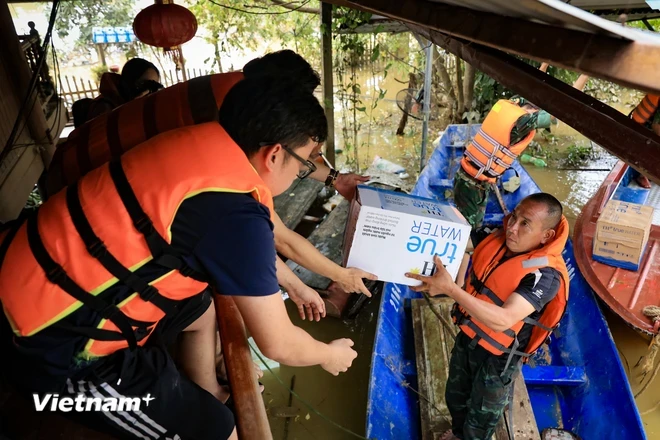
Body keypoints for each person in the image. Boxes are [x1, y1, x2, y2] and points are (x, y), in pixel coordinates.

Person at [0, 75, 358, 440]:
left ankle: (210, 392)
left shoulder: (200, 144)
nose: (301, 174)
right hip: (48, 344)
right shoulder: (235, 214)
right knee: (219, 431)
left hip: (20, 267)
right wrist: (328, 355)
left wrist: (296, 285)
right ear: (275, 154)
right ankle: (208, 418)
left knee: (201, 307)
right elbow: (279, 342)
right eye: (303, 167)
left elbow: (245, 250)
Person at [405, 193, 569, 440]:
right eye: (514, 216)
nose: (512, 227)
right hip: (469, 333)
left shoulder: (545, 276)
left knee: (483, 412)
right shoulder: (497, 236)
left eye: (525, 223)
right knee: (455, 393)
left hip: (499, 356)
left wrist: (451, 288)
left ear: (546, 236)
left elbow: (504, 319)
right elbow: (458, 241)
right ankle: (459, 433)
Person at [452, 97, 555, 229]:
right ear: (536, 110)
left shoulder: (510, 103)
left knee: (461, 218)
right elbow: (552, 116)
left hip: (464, 173)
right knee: (468, 229)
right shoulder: (523, 121)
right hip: (474, 185)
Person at [73, 58, 163, 127]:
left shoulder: (136, 104)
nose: (148, 90)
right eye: (144, 84)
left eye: (153, 85)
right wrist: (132, 106)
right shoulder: (104, 107)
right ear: (128, 82)